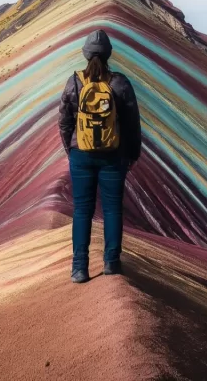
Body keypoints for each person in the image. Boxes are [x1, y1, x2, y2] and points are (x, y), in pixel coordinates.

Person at [58, 29, 142, 284]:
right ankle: (111, 263)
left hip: (81, 155)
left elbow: (64, 122)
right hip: (113, 156)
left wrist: (71, 149)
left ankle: (79, 268)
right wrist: (132, 154)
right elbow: (132, 124)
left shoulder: (74, 83)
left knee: (82, 210)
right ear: (108, 55)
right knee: (112, 210)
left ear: (85, 55)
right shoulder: (119, 83)